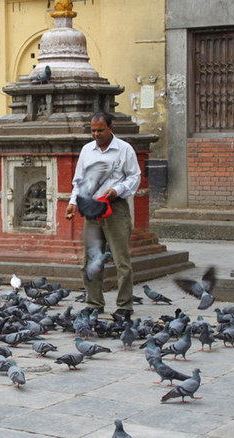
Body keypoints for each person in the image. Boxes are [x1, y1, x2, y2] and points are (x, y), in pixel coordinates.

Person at [66, 111, 141, 317]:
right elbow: (79, 181)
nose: (96, 134)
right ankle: (94, 303)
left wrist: (117, 190)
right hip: (91, 210)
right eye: (93, 130)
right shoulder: (87, 150)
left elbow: (134, 177)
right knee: (90, 260)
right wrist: (73, 203)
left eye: (100, 130)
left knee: (121, 260)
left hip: (115, 209)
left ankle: (124, 305)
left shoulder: (124, 149)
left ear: (110, 128)